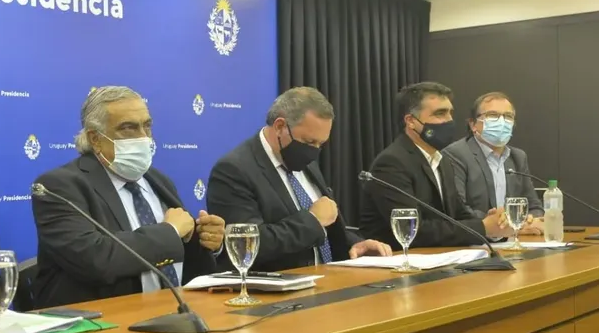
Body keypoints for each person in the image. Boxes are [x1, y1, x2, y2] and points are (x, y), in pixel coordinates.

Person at [31, 86, 224, 308]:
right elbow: (97, 259)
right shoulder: (60, 186)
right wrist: (170, 231)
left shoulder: (157, 180)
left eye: (147, 126)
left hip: (173, 311)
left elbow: (178, 249)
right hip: (101, 323)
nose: (143, 137)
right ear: (95, 139)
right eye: (128, 128)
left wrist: (205, 241)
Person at [207, 87, 391, 271]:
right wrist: (312, 220)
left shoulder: (305, 162)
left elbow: (325, 226)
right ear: (280, 127)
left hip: (330, 280)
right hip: (278, 289)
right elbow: (246, 243)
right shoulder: (234, 170)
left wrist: (356, 244)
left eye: (321, 144)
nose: (315, 151)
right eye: (310, 142)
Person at [359, 82, 510, 248]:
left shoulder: (442, 160)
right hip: (398, 261)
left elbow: (458, 214)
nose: (449, 120)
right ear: (411, 121)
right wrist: (482, 228)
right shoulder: (391, 163)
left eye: (450, 113)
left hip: (440, 258)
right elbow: (413, 229)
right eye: (440, 114)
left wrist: (493, 224)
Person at [444, 92, 544, 234]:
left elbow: (534, 207)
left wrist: (528, 221)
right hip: (475, 242)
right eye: (493, 115)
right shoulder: (456, 154)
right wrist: (507, 226)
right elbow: (459, 210)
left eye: (508, 117)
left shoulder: (517, 157)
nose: (501, 122)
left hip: (514, 242)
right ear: (473, 124)